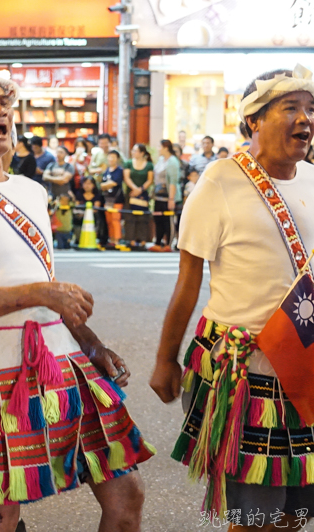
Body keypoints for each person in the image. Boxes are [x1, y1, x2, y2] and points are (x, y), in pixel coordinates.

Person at [0, 68, 153, 532]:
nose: (0, 111)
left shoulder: (31, 190)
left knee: (127, 494)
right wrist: (40, 292)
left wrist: (89, 341)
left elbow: (46, 282)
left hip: (62, 361)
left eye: (5, 102)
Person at [151, 65, 314, 531]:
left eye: (310, 109)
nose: (305, 119)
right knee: (254, 517)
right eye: (291, 108)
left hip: (303, 364)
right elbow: (187, 281)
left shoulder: (312, 180)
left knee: (291, 514)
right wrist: (165, 360)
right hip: (245, 371)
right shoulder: (219, 181)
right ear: (253, 121)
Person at [122, 144, 154, 250]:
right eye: (133, 150)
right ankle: (130, 239)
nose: (133, 152)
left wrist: (140, 190)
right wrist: (135, 189)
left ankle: (143, 240)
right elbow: (126, 177)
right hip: (130, 193)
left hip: (143, 194)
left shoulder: (149, 165)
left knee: (143, 218)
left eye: (136, 151)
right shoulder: (128, 163)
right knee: (130, 217)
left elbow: (150, 179)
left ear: (142, 153)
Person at [151, 140, 180, 252]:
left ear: (166, 148)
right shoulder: (160, 160)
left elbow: (173, 181)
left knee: (168, 221)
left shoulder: (173, 161)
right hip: (158, 195)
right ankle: (158, 242)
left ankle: (168, 243)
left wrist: (171, 198)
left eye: (160, 146)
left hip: (168, 195)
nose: (158, 149)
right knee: (158, 219)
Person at [100, 150, 124, 248]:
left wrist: (105, 185)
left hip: (117, 199)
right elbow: (102, 185)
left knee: (115, 220)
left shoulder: (119, 171)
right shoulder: (106, 171)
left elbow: (115, 183)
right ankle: (111, 238)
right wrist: (105, 185)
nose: (111, 159)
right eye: (110, 157)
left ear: (117, 159)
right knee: (109, 221)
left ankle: (117, 239)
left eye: (114, 157)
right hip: (107, 199)